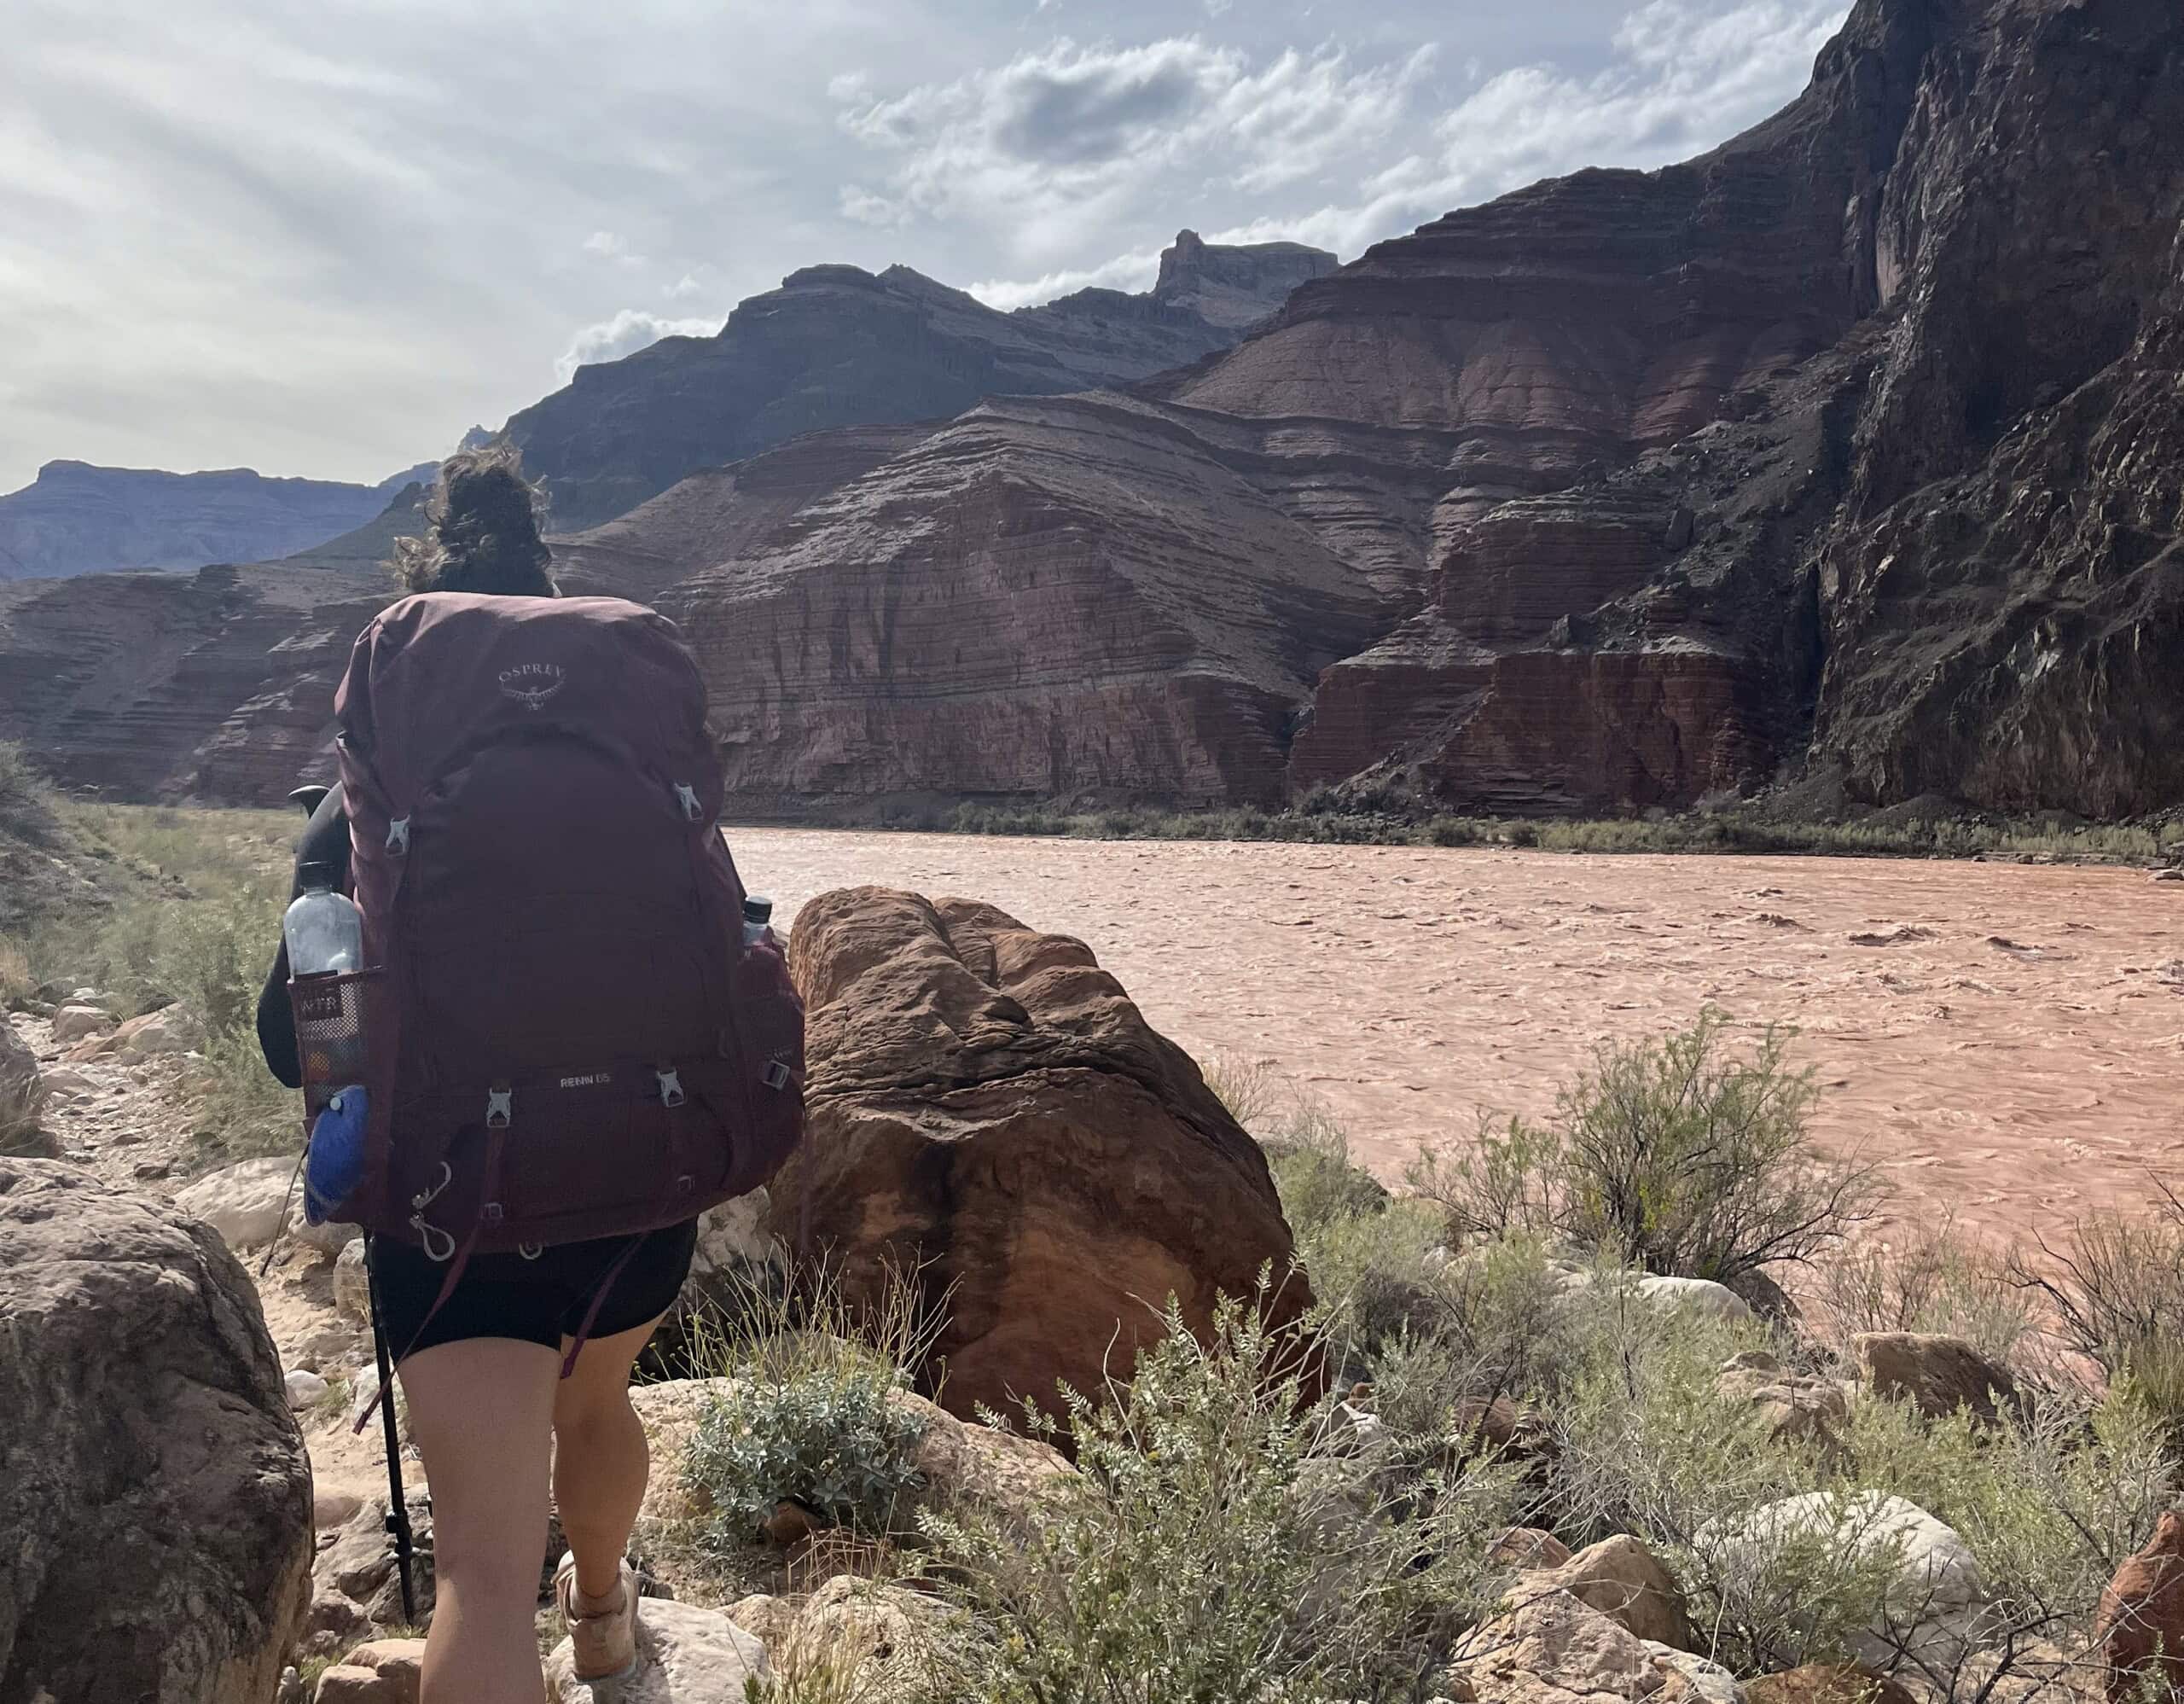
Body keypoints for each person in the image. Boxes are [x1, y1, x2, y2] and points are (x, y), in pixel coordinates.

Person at [258, 445, 694, 1701]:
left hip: (455, 1209)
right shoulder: (630, 766)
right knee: (598, 1405)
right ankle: (606, 1617)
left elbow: (296, 1040)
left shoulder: (357, 802)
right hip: (637, 1171)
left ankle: (548, 1614)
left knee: (483, 1577)